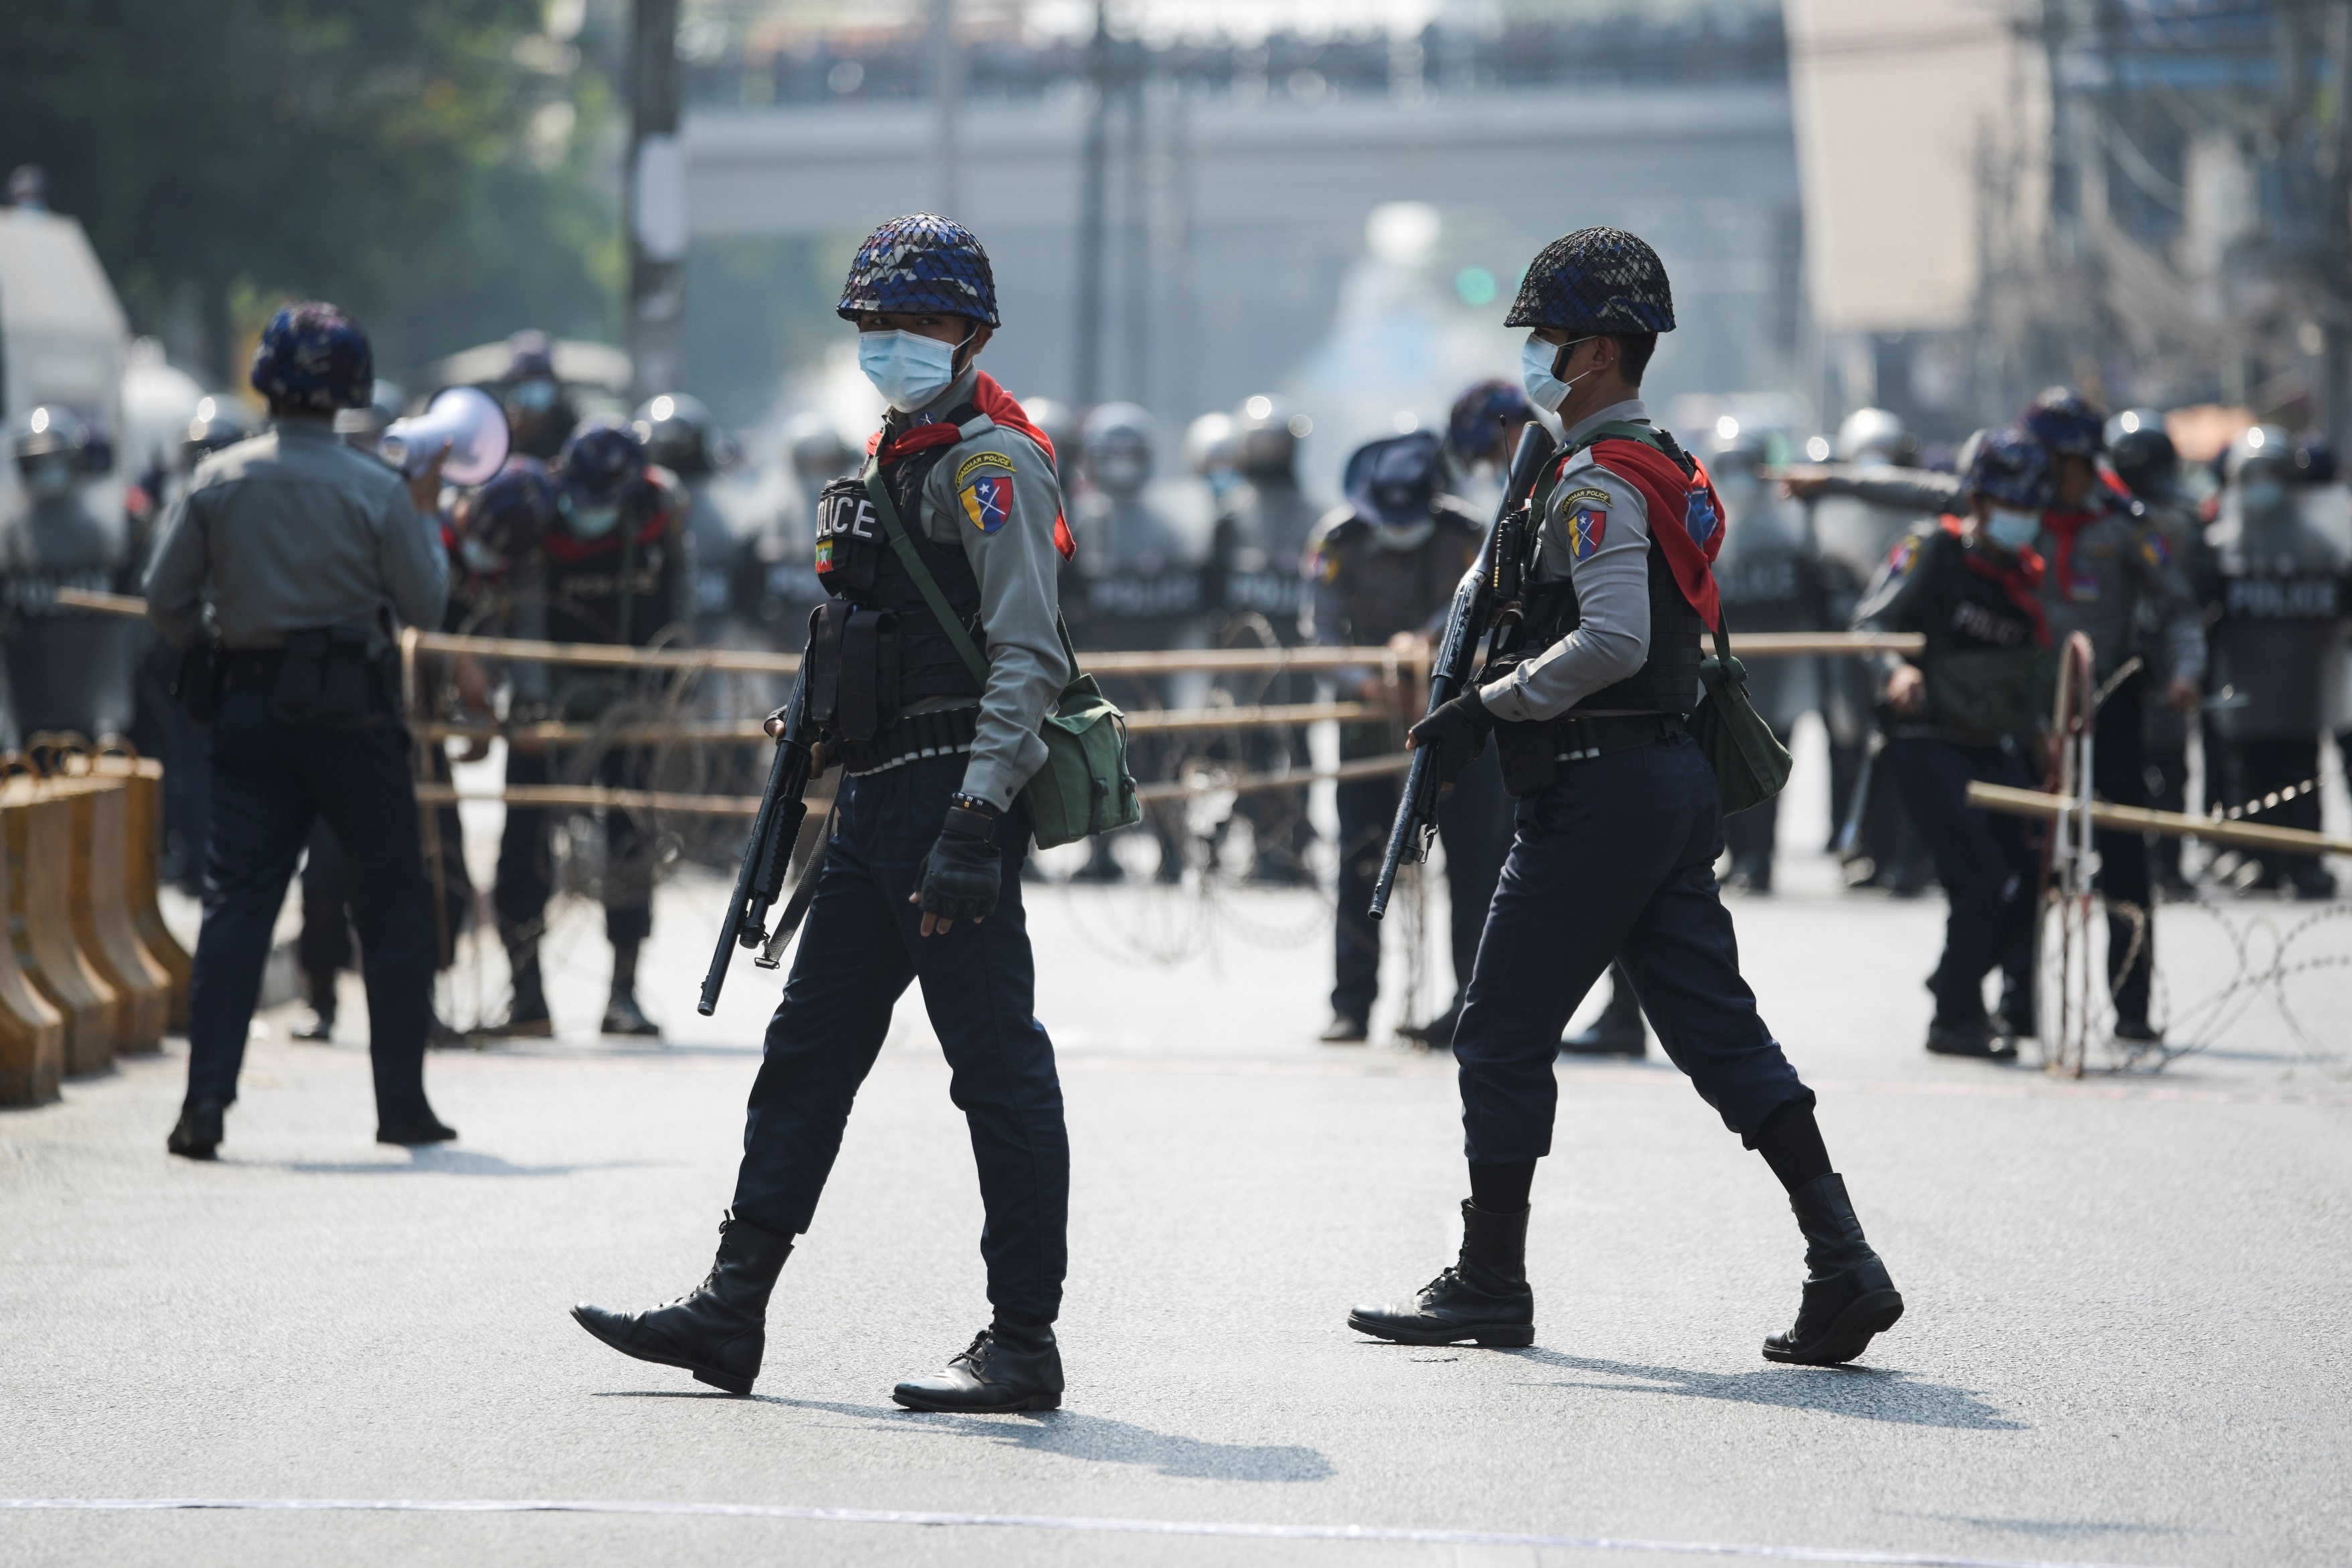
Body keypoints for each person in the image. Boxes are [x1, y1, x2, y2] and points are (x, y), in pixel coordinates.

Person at [1352, 228, 1901, 1368]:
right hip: (1660, 780)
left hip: (1597, 785)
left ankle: (1491, 1280)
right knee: (1717, 1033)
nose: (1534, 361)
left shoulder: (1596, 481)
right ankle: (1841, 1259)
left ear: (1596, 351)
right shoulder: (1665, 465)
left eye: (1546, 341)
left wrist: (1487, 706)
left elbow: (1613, 637)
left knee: (1497, 1030)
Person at [572, 214, 1078, 1413]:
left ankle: (1022, 1340)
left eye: (915, 322)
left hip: (952, 792)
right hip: (872, 803)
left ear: (968, 331)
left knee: (995, 1070)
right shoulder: (890, 455)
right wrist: (801, 737)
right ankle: (729, 1310)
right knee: (803, 1054)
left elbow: (1028, 654)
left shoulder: (990, 462)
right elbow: (856, 627)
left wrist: (972, 819)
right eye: (875, 323)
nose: (891, 341)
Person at [142, 301, 456, 1158]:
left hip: (249, 707)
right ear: (349, 388)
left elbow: (164, 601)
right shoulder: (378, 487)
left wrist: (217, 641)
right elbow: (428, 605)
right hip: (354, 710)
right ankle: (401, 1107)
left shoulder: (218, 481)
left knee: (237, 904)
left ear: (267, 381)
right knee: (390, 903)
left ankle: (204, 1105)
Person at [1802, 390, 2207, 1038]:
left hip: (2103, 710)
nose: (2038, 476)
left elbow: (2180, 608)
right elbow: (1912, 490)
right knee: (2029, 861)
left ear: (2078, 460)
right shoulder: (1998, 513)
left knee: (2124, 857)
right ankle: (2017, 1001)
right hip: (2021, 715)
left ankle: (2130, 1008)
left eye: (2051, 460)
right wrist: (1826, 479)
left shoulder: (2125, 524)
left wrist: (2187, 672)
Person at [1850, 430, 2057, 1056]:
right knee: (1979, 878)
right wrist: (1897, 671)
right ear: (1977, 500)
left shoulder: (2025, 576)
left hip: (1993, 742)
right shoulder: (1932, 550)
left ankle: (1956, 976)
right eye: (2006, 502)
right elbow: (1869, 625)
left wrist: (2040, 737)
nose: (2020, 516)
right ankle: (1955, 1018)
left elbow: (2027, 671)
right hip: (1926, 738)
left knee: (2031, 872)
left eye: (2028, 504)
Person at [1306, 429, 1510, 1046]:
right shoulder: (1337, 539)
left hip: (1463, 721)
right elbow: (1317, 636)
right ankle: (1352, 1004)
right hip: (1370, 724)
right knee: (1362, 861)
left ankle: (1473, 1003)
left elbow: (1503, 623)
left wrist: (1440, 673)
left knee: (1478, 865)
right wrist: (1367, 683)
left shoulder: (1472, 535)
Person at [491, 419, 692, 1038]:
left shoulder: (660, 514)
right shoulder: (540, 513)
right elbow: (518, 610)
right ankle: (526, 995)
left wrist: (664, 694)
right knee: (522, 840)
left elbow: (677, 612)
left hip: (627, 706)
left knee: (630, 839)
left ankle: (623, 993)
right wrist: (523, 698)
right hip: (544, 699)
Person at [2199, 424, 2349, 898]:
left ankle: (2305, 863)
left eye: (2273, 475)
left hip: (2304, 689)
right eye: (2254, 475)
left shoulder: (2317, 546)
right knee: (2248, 773)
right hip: (2243, 686)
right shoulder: (2222, 547)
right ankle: (2258, 860)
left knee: (2303, 773)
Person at [1065, 400, 1206, 883]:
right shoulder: (1079, 521)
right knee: (1097, 757)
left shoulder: (1170, 523)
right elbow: (1065, 594)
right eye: (1113, 453)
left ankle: (1171, 850)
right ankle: (1101, 853)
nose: (1122, 463)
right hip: (1098, 663)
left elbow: (1193, 596)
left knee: (1162, 756)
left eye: (1131, 452)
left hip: (1158, 664)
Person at [1206, 394, 1324, 885]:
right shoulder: (1230, 517)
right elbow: (1210, 592)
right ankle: (1259, 841)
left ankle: (1294, 842)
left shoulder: (1315, 516)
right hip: (1243, 661)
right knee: (1248, 751)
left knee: (1298, 747)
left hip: (1297, 660)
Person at [2108, 410, 2210, 896]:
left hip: (2164, 656)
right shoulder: (2107, 524)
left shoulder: (2172, 523)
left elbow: (2190, 601)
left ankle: (2165, 865)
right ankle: (2144, 866)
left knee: (2165, 769)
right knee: (2123, 772)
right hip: (2118, 663)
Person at [1, 404, 133, 747]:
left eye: (53, 461)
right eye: (36, 462)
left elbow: (124, 636)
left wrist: (116, 708)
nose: (46, 472)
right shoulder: (10, 541)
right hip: (28, 709)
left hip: (95, 714)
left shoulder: (103, 538)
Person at [497, 330, 578, 462]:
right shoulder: (501, 431)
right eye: (528, 380)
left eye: (541, 377)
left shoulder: (571, 428)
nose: (536, 387)